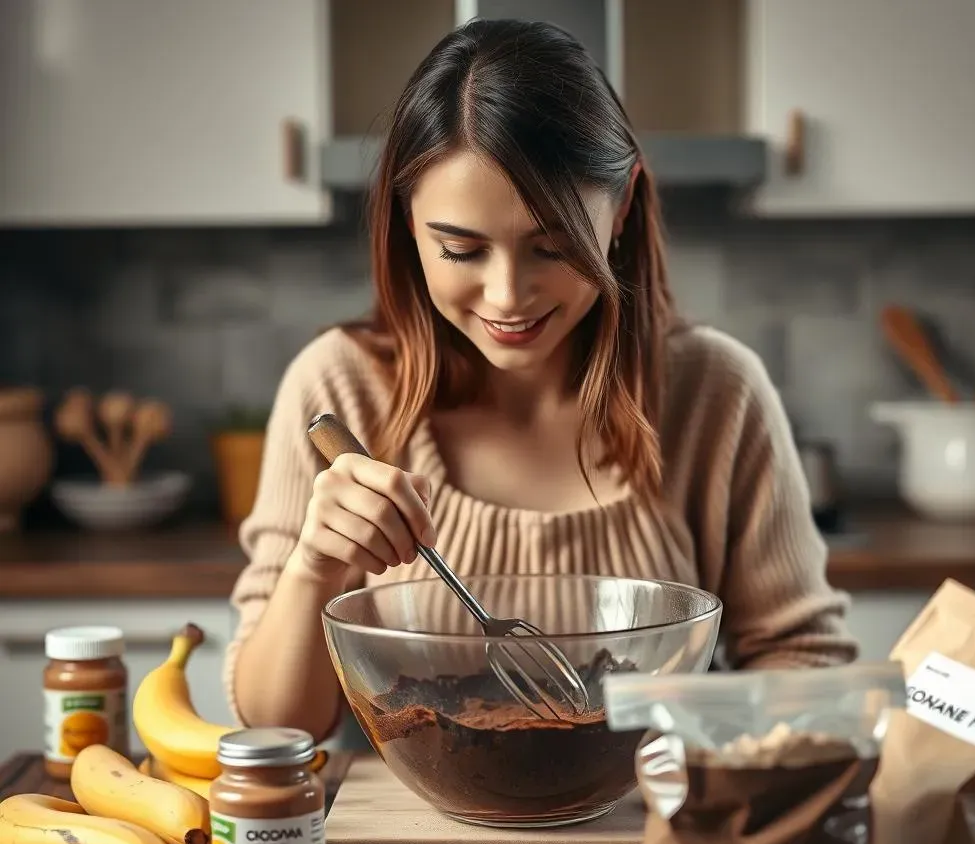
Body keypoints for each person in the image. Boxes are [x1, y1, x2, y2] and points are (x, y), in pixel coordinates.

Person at [225, 18, 857, 742]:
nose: (507, 296)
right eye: (462, 249)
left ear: (620, 209)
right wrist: (314, 568)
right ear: (407, 224)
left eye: (551, 246)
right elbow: (277, 724)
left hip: (662, 841)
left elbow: (804, 658)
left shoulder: (718, 391)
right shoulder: (336, 389)